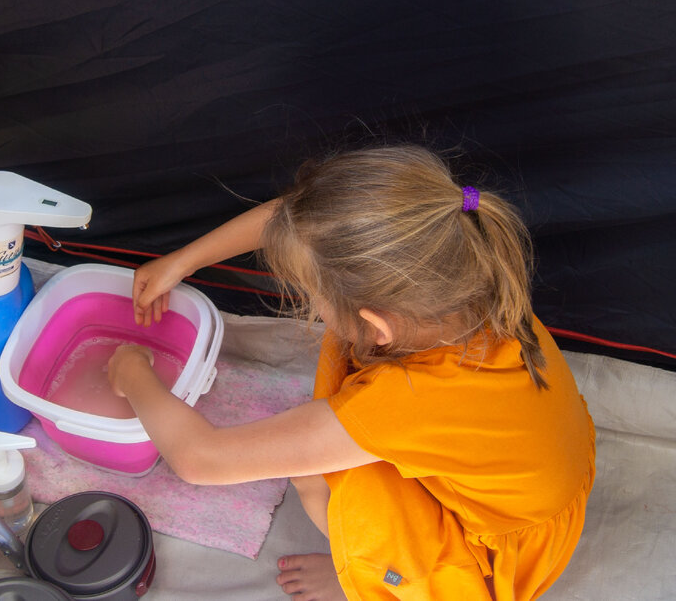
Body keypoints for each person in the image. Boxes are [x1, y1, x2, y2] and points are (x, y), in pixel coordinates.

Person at [106, 145, 596, 600]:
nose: (312, 304)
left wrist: (132, 372)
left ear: (378, 326)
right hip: (537, 479)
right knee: (331, 411)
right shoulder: (463, 277)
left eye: (311, 294)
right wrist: (184, 261)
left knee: (313, 472)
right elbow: (305, 221)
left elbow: (200, 458)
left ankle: (369, 575)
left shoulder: (404, 401)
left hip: (491, 557)